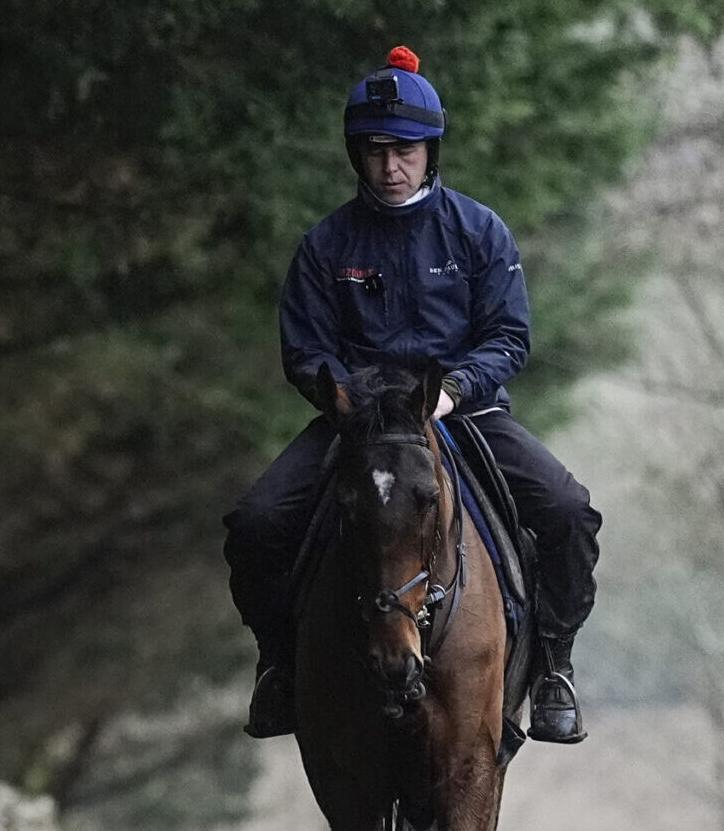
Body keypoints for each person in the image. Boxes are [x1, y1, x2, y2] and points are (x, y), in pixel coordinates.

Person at [222, 45, 600, 743]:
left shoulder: (479, 231)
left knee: (570, 511)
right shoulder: (326, 245)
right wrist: (347, 402)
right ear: (356, 156)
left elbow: (509, 338)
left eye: (405, 151)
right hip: (361, 427)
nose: (390, 167)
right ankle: (278, 663)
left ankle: (553, 667)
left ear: (431, 153)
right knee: (254, 523)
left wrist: (454, 390)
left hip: (465, 414)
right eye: (374, 152)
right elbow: (305, 351)